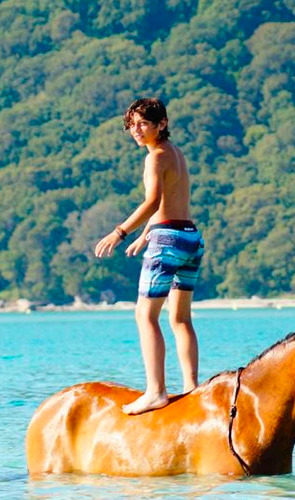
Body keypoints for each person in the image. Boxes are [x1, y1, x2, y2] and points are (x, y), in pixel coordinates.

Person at [94, 98, 205, 415]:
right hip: (189, 238)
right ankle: (191, 387)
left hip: (168, 240)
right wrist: (145, 235)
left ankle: (156, 391)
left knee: (145, 316)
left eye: (143, 123)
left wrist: (120, 232)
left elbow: (152, 200)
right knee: (180, 318)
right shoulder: (176, 154)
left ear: (162, 124)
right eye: (132, 124)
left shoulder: (155, 157)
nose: (136, 130)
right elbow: (170, 201)